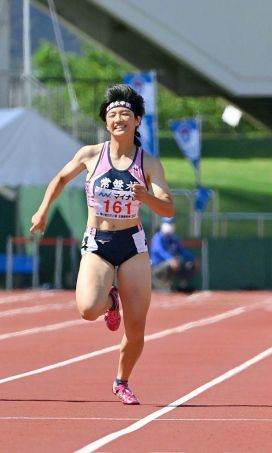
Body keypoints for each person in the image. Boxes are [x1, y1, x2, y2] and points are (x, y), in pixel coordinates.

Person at [30, 84, 175, 405]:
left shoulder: (148, 163)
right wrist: (42, 211)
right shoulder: (90, 154)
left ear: (137, 121)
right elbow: (60, 179)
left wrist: (146, 196)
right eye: (112, 115)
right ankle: (111, 302)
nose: (118, 119)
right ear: (106, 122)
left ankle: (122, 381)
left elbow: (168, 207)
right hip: (98, 242)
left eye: (125, 114)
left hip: (133, 245)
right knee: (87, 309)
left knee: (137, 329)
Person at [150, 217, 196, 293]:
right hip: (157, 267)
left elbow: (182, 251)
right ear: (162, 224)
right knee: (170, 264)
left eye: (172, 223)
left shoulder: (173, 238)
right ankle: (163, 286)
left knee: (189, 264)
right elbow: (159, 251)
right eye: (168, 223)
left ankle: (183, 286)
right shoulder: (157, 237)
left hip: (173, 264)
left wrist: (192, 258)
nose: (170, 225)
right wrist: (170, 259)